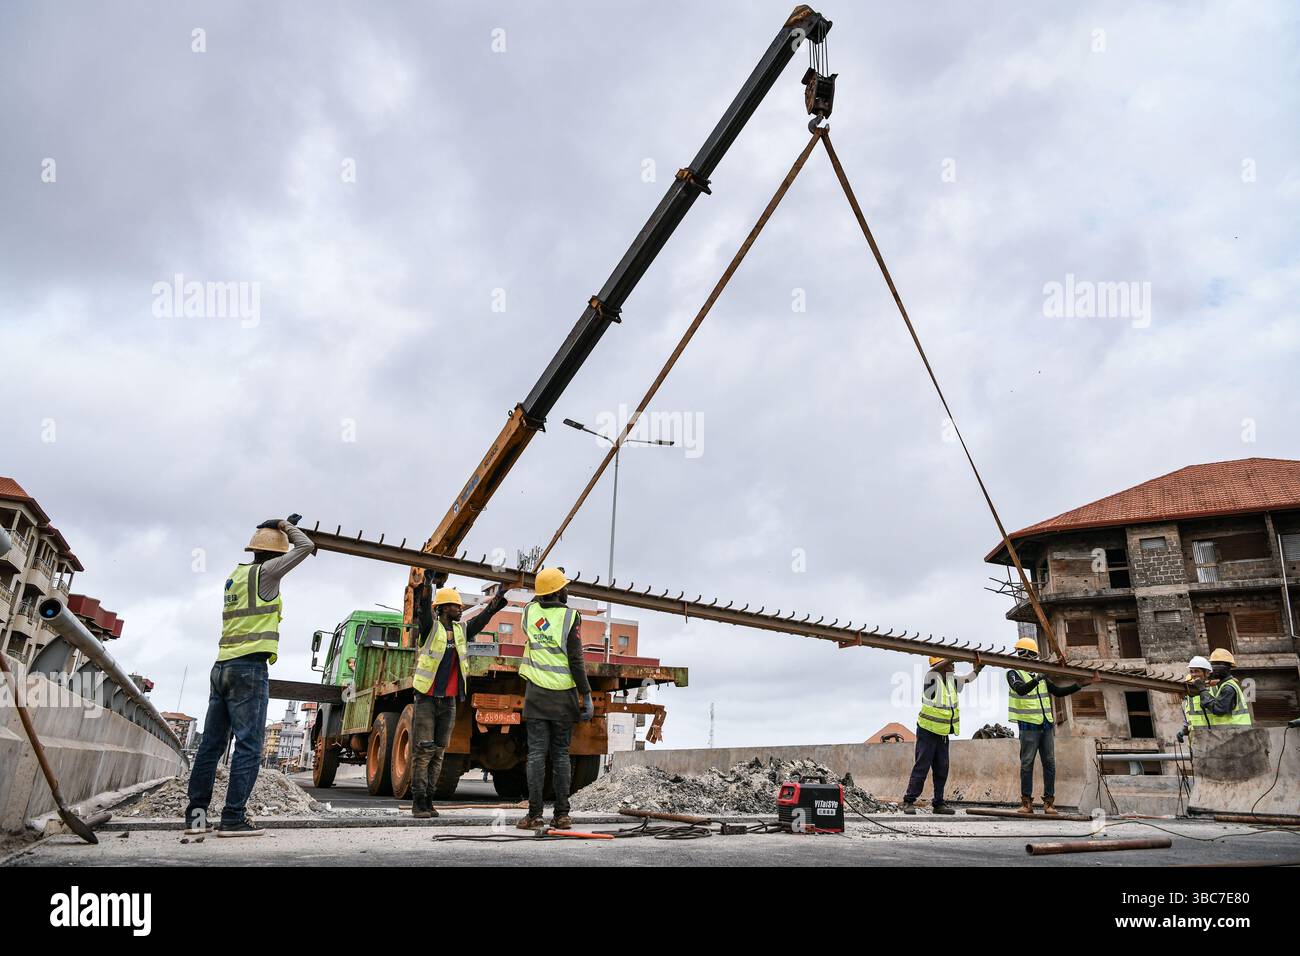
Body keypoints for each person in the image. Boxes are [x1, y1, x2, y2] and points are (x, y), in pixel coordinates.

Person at [186, 515, 313, 836]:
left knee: (210, 746)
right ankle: (232, 818)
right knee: (249, 746)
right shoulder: (267, 573)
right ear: (274, 554)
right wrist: (285, 526)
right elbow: (306, 547)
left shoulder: (235, 576)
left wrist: (278, 531)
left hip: (222, 667)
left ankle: (196, 820)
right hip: (249, 669)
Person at [409, 577, 506, 817]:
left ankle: (429, 803)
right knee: (423, 751)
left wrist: (498, 597)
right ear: (442, 609)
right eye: (454, 606)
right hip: (427, 698)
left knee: (439, 751)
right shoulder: (430, 629)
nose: (459, 609)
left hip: (448, 701)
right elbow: (422, 610)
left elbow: (483, 619)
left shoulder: (462, 631)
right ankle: (418, 803)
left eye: (460, 606)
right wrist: (427, 585)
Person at [515, 567, 592, 831]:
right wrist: (587, 694)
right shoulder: (571, 617)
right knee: (561, 756)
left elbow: (535, 602)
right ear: (558, 591)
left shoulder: (529, 612)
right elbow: (576, 659)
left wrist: (545, 587)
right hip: (563, 697)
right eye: (564, 586)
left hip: (536, 694)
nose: (567, 590)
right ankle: (562, 815)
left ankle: (534, 815)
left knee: (536, 755)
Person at [1005, 636, 1095, 816]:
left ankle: (1049, 803)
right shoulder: (1014, 673)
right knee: (1027, 763)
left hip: (1046, 725)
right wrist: (1038, 678)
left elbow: (1059, 692)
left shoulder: (1042, 677)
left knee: (1049, 763)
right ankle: (1026, 803)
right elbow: (1021, 690)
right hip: (1028, 726)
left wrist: (1079, 685)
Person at [903, 656, 982, 815]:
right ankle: (908, 801)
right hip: (928, 730)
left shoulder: (951, 681)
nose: (953, 666)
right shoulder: (931, 679)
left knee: (942, 769)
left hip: (943, 732)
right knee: (922, 766)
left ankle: (938, 803)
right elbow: (933, 670)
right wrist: (951, 655)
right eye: (950, 663)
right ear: (941, 666)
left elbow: (968, 679)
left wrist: (979, 667)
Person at [1200, 648, 1252, 727]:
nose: (1213, 668)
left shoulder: (1228, 688)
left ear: (1228, 667)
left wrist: (1203, 691)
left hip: (1236, 730)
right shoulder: (1224, 685)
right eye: (1212, 665)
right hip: (1234, 730)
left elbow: (1218, 709)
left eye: (1217, 665)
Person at [1178, 655, 1212, 741]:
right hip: (1196, 741)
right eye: (1191, 671)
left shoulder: (1212, 689)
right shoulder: (1188, 695)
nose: (1193, 674)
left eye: (1197, 671)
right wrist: (1183, 731)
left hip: (1214, 737)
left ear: (1207, 673)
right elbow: (1188, 718)